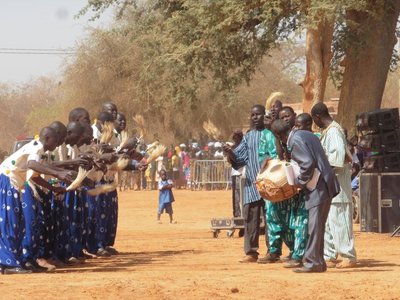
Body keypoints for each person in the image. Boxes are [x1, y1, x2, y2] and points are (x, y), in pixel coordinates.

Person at [271, 119, 340, 273]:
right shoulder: (304, 134)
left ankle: (312, 262)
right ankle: (318, 262)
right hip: (325, 183)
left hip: (318, 186)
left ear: (277, 134)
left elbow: (307, 163)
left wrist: (298, 182)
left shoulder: (295, 140)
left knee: (314, 226)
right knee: (318, 226)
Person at [311, 102, 357, 269]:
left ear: (317, 117)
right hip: (331, 186)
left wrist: (319, 169)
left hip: (339, 186)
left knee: (341, 221)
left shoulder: (334, 132)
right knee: (330, 223)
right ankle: (329, 255)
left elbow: (337, 157)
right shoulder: (328, 132)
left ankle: (348, 256)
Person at [223, 104, 267, 263]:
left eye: (258, 114)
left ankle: (273, 251)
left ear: (264, 115)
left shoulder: (270, 134)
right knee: (250, 219)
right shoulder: (248, 137)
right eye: (253, 115)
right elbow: (239, 159)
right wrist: (230, 153)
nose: (255, 117)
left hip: (270, 184)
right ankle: (251, 252)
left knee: (271, 219)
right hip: (251, 185)